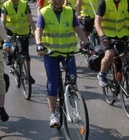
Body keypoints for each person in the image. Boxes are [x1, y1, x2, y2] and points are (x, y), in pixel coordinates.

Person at [35, 0, 90, 128]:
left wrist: (86, 42)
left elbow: (78, 29)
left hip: (68, 53)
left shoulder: (69, 11)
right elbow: (39, 30)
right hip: (51, 53)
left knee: (72, 80)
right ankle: (53, 115)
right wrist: (39, 44)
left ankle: (72, 100)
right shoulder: (44, 12)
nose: (58, 1)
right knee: (53, 83)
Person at [94, 0, 129, 87]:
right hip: (107, 35)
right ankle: (102, 74)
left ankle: (122, 84)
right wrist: (102, 36)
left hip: (122, 34)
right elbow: (97, 22)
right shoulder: (104, 2)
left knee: (126, 60)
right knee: (110, 55)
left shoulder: (126, 2)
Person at [1, 0, 37, 84]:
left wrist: (35, 33)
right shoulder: (6, 5)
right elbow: (3, 21)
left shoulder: (24, 4)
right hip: (10, 31)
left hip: (23, 31)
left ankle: (28, 74)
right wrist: (2, 36)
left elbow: (30, 20)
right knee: (8, 46)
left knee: (26, 55)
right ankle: (10, 55)